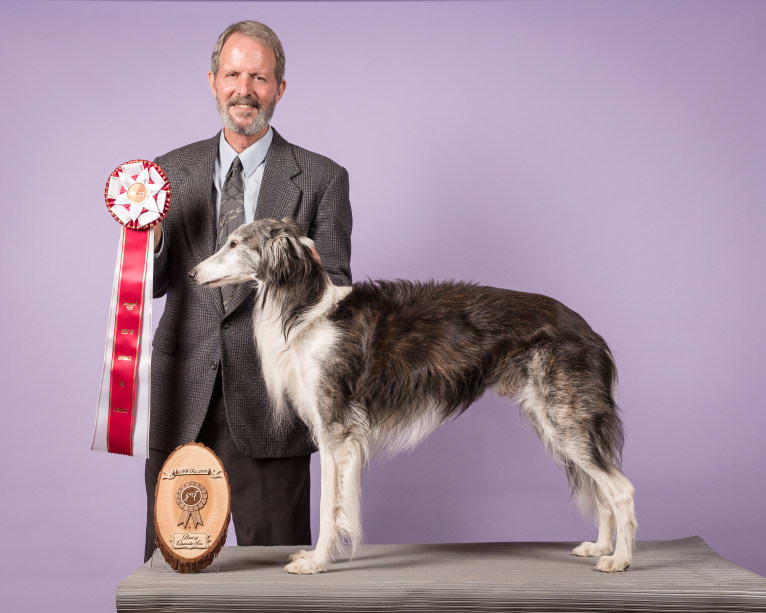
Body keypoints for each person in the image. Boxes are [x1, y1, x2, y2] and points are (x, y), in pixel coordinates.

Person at [143, 20, 352, 562]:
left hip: (274, 406)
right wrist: (157, 243)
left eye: (258, 77)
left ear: (279, 89)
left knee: (279, 575)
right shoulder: (166, 172)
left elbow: (339, 302)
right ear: (212, 80)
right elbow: (154, 284)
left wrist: (308, 275)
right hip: (182, 397)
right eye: (233, 74)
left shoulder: (323, 178)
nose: (244, 89)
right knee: (171, 574)